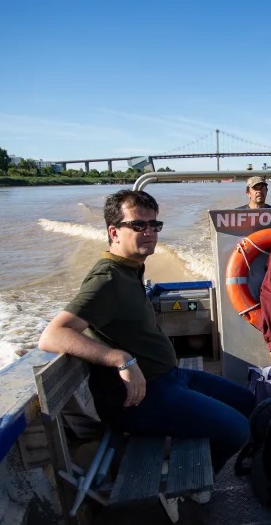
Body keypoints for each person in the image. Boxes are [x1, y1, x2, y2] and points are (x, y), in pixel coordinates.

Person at [38, 189, 254, 473]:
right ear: (114, 232)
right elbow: (53, 335)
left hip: (171, 378)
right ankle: (195, 480)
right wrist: (121, 359)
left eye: (154, 225)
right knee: (237, 430)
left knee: (249, 402)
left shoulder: (131, 270)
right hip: (140, 397)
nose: (149, 232)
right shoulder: (107, 279)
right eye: (138, 225)